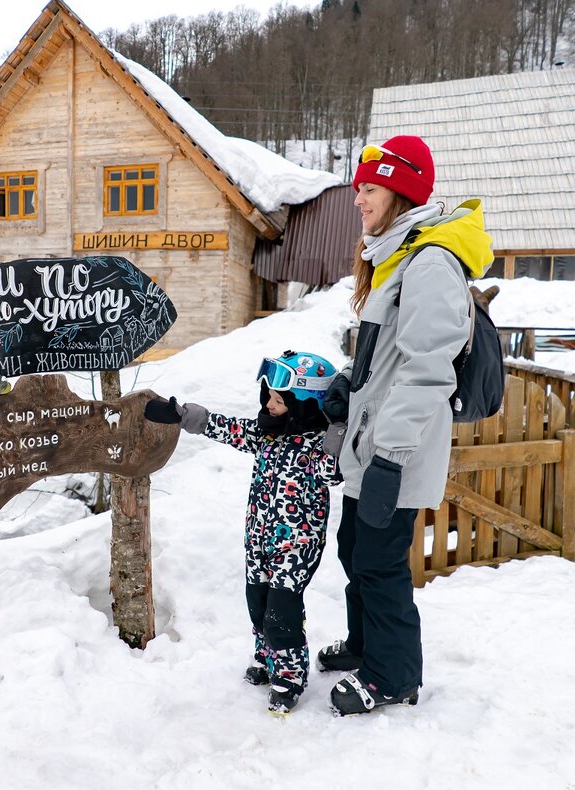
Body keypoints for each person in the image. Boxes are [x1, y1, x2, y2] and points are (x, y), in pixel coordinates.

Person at [318, 135, 493, 716]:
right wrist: (351, 380)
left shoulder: (430, 262)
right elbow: (389, 357)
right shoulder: (395, 255)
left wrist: (391, 456)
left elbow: (427, 368)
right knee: (353, 550)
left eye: (368, 189)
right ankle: (367, 646)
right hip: (370, 444)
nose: (358, 200)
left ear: (398, 191)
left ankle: (393, 676)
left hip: (396, 449)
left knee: (379, 561)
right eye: (359, 189)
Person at [144, 351, 344, 715]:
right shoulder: (266, 434)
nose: (269, 403)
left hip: (296, 546)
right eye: (268, 395)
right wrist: (181, 415)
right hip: (258, 541)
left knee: (281, 612)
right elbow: (227, 427)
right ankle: (269, 660)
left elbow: (334, 474)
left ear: (304, 405)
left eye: (279, 399)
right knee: (258, 605)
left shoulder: (318, 446)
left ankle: (290, 675)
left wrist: (338, 428)